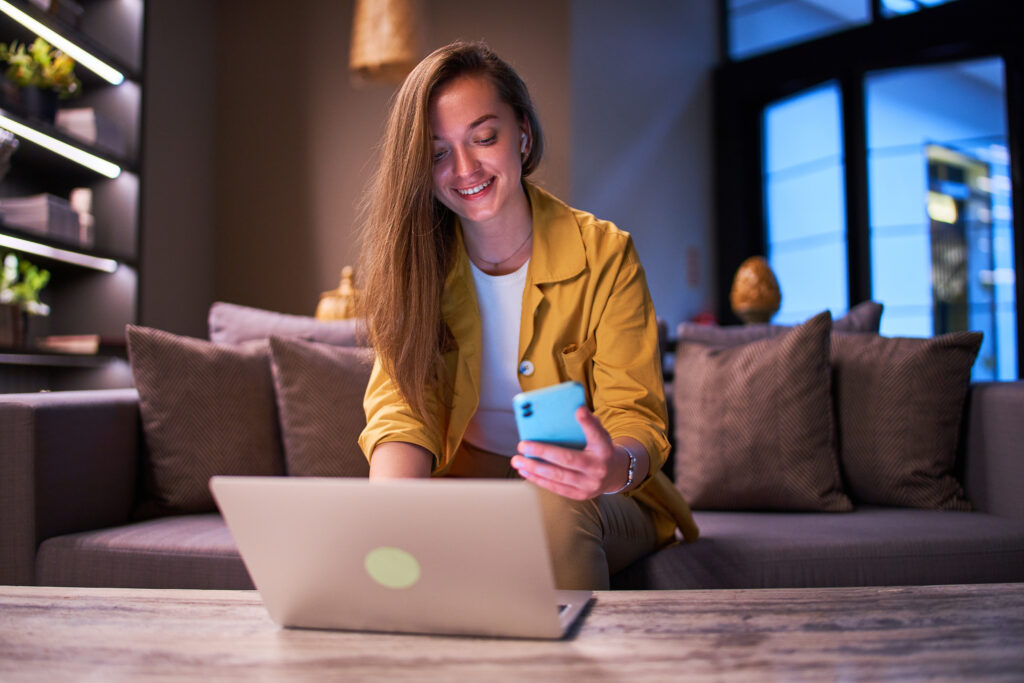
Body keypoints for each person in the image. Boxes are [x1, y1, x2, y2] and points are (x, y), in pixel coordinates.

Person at [358, 40, 698, 590]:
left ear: (522, 134)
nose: (464, 168)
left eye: (483, 137)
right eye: (437, 152)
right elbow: (400, 413)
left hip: (596, 496)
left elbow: (635, 415)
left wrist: (608, 467)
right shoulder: (412, 266)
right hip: (463, 489)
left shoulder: (605, 254)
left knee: (550, 511)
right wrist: (395, 521)